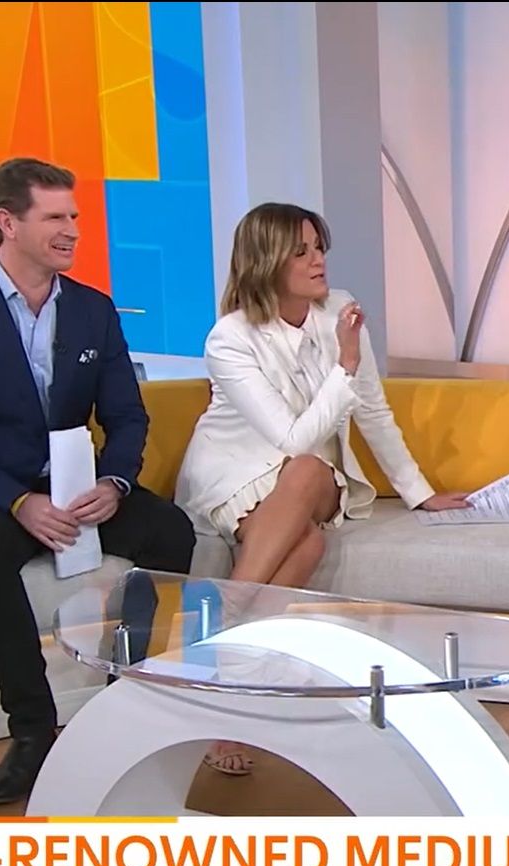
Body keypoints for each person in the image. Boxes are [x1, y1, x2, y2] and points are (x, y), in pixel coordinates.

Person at [0, 158, 196, 804]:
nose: (73, 231)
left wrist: (114, 483)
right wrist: (17, 501)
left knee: (170, 531)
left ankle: (126, 701)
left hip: (77, 487)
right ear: (7, 223)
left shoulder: (92, 310)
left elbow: (126, 416)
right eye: (55, 217)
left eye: (75, 216)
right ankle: (33, 729)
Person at [176, 202, 470, 775]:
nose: (319, 261)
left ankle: (217, 639)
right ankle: (233, 699)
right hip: (237, 468)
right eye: (302, 251)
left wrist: (419, 492)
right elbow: (290, 438)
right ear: (266, 261)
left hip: (311, 476)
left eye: (319, 247)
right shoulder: (229, 338)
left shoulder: (339, 309)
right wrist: (346, 363)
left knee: (310, 472)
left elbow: (373, 411)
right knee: (307, 542)